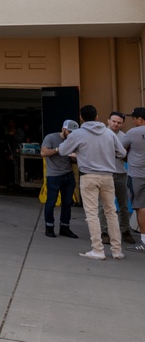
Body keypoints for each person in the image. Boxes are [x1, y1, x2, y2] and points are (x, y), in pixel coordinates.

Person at [59, 104, 127, 260]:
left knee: (92, 214)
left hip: (88, 176)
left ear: (81, 118)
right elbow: (122, 153)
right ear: (97, 117)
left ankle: (98, 249)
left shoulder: (78, 134)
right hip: (108, 175)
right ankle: (117, 250)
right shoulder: (109, 134)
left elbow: (63, 150)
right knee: (111, 212)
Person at [97, 112, 136, 245]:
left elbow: (127, 155)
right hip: (104, 173)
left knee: (123, 204)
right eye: (114, 121)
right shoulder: (101, 134)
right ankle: (104, 232)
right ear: (108, 120)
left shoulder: (124, 136)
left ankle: (125, 230)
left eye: (119, 122)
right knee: (103, 204)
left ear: (123, 124)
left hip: (120, 173)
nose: (116, 124)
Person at [40, 119, 79, 238]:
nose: (71, 134)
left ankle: (65, 227)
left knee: (67, 203)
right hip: (54, 175)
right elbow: (43, 152)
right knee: (51, 203)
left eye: (74, 132)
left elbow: (75, 160)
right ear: (63, 129)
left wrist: (74, 157)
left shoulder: (74, 141)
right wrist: (58, 149)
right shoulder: (51, 137)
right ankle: (49, 226)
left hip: (68, 175)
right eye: (69, 131)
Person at [121, 107, 145, 251]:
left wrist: (128, 157)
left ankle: (143, 240)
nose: (133, 121)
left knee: (141, 207)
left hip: (137, 174)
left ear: (140, 119)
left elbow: (120, 150)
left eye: (134, 119)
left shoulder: (133, 132)